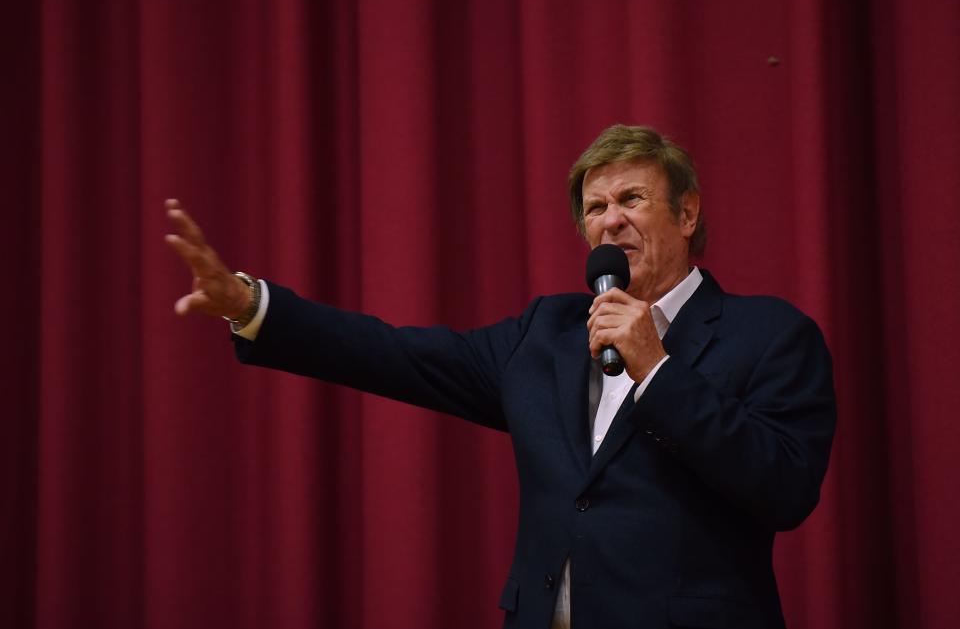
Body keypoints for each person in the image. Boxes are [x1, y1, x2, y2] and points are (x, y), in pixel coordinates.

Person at [166, 125, 836, 629]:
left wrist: (655, 368)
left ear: (686, 214)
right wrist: (253, 306)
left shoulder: (771, 335)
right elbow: (397, 355)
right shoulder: (546, 332)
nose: (611, 219)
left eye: (631, 197)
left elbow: (783, 487)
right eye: (595, 206)